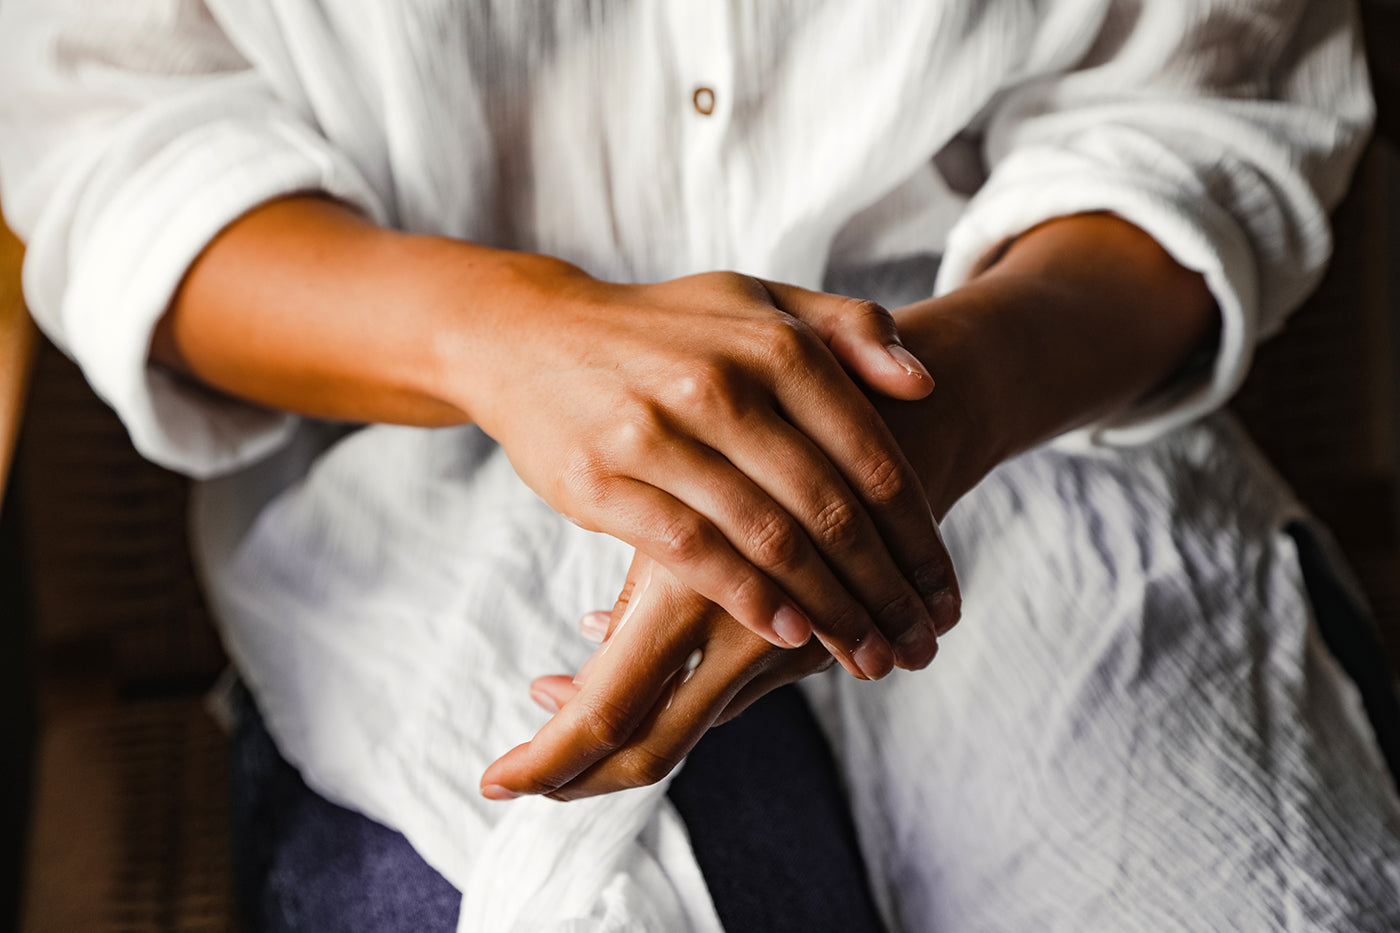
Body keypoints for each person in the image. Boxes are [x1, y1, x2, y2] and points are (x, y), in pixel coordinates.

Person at [3, 0, 1399, 929]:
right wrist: (508, 336)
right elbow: (113, 153)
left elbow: (1201, 111)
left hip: (1031, 417)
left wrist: (944, 403)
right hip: (416, 464)